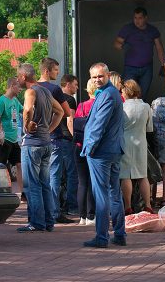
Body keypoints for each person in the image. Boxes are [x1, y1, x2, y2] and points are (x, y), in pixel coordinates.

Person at [80, 62, 126, 248]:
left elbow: (99, 125)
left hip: (101, 152)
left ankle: (101, 237)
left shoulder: (107, 94)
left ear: (108, 75)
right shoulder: (109, 93)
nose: (97, 79)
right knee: (114, 193)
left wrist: (89, 148)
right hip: (112, 150)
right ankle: (120, 234)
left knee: (102, 196)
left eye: (100, 76)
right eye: (94, 77)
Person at [16, 63, 64, 232]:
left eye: (18, 77)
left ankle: (36, 223)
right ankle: (49, 221)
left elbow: (28, 108)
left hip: (32, 144)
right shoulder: (45, 91)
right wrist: (49, 129)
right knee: (45, 183)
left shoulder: (31, 91)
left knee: (32, 185)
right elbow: (60, 112)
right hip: (46, 143)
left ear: (23, 77)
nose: (17, 80)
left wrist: (26, 125)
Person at [37, 58, 75, 224]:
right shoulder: (54, 89)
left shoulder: (32, 88)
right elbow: (66, 112)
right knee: (54, 176)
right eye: (55, 70)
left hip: (35, 139)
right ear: (47, 71)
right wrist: (51, 127)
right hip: (53, 138)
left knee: (37, 177)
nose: (57, 73)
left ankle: (40, 213)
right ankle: (54, 211)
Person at [114, 7, 164, 98]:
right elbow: (116, 43)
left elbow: (159, 47)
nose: (137, 21)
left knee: (142, 94)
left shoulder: (152, 30)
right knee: (128, 93)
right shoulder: (127, 29)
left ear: (146, 18)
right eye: (135, 18)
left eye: (140, 18)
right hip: (130, 68)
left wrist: (163, 65)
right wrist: (123, 46)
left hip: (147, 68)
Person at [120, 79, 154, 215]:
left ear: (125, 91)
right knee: (142, 175)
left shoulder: (122, 107)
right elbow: (149, 128)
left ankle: (128, 206)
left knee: (125, 175)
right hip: (141, 142)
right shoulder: (146, 106)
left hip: (125, 142)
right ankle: (148, 205)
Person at [0, 77, 25, 196]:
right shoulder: (1, 101)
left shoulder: (15, 101)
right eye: (18, 86)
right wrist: (0, 132)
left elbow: (24, 110)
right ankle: (1, 191)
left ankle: (23, 192)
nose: (20, 89)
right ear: (12, 86)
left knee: (19, 164)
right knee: (2, 165)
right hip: (5, 139)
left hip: (14, 138)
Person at [73, 79, 97, 226]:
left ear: (88, 90)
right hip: (93, 147)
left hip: (79, 145)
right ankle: (91, 215)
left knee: (82, 182)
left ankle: (82, 216)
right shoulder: (99, 105)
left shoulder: (81, 106)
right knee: (93, 183)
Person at [60, 74, 80, 214]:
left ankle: (58, 204)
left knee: (58, 175)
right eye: (75, 84)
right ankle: (72, 206)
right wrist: (76, 138)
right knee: (72, 174)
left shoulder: (54, 96)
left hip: (55, 139)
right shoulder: (70, 100)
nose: (77, 87)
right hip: (67, 139)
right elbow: (70, 120)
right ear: (67, 84)